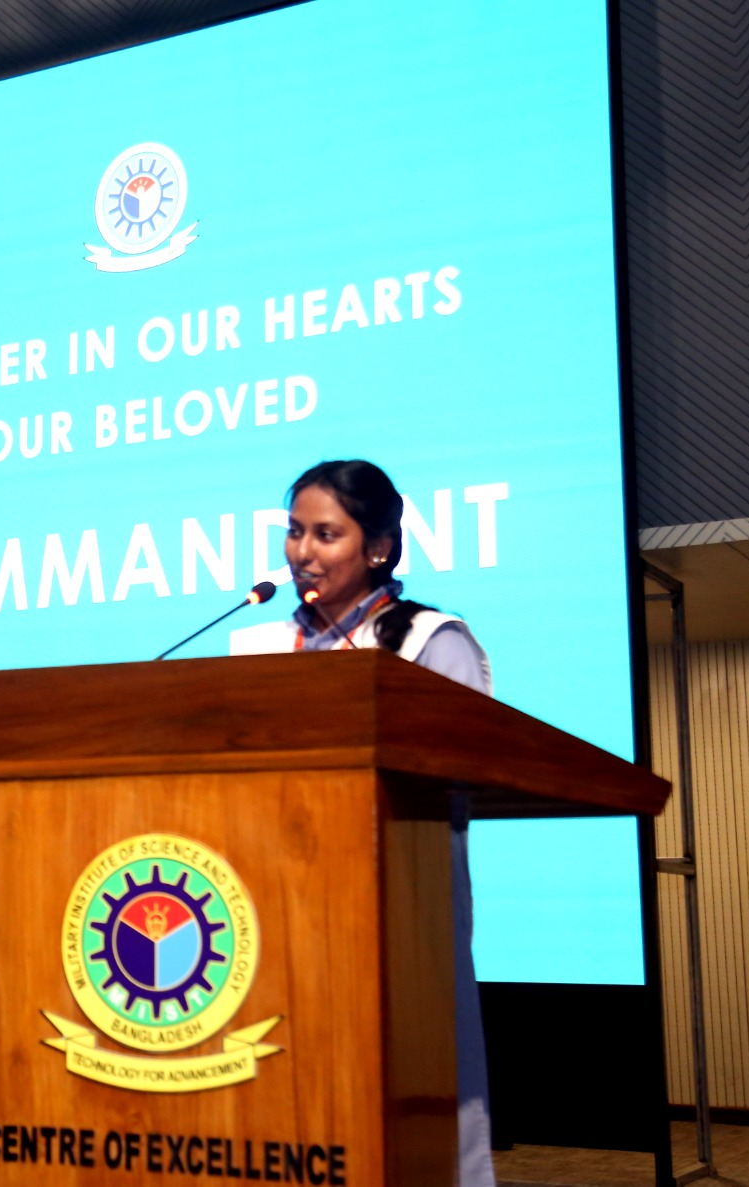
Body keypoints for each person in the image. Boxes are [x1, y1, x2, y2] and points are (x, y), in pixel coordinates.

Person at [230, 458, 496, 1187]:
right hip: (274, 904)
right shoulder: (259, 651)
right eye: (294, 532)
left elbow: (461, 771)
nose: (302, 552)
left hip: (398, 907)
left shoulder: (429, 642)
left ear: (378, 547)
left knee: (413, 1092)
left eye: (326, 534)